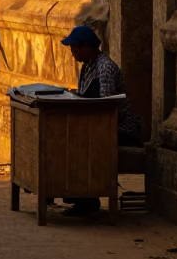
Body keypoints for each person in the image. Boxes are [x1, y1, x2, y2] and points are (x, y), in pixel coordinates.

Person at [61, 23, 143, 216]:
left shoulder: (105, 68)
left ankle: (88, 199)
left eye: (75, 48)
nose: (72, 53)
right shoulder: (87, 67)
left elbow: (107, 108)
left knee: (83, 143)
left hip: (121, 129)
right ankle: (79, 196)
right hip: (98, 126)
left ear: (86, 48)